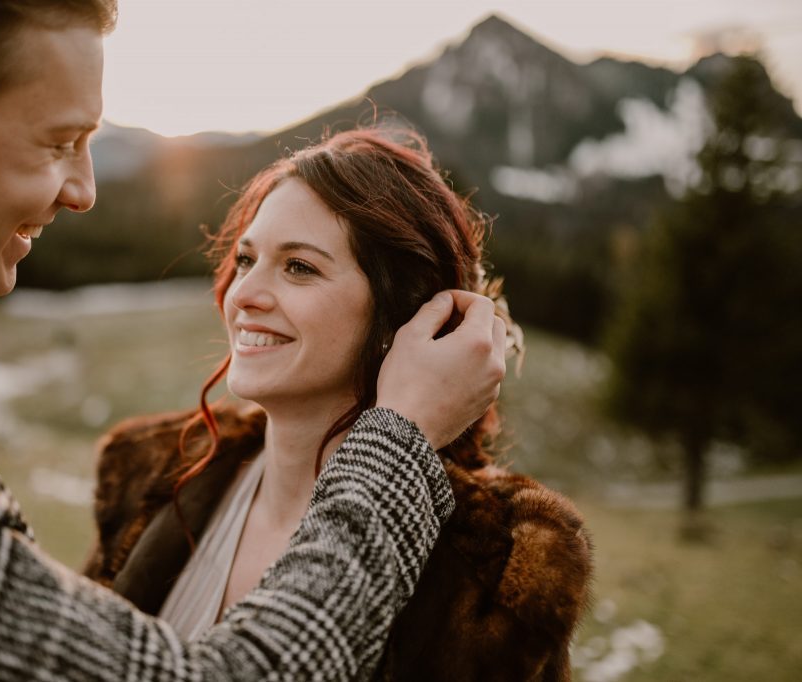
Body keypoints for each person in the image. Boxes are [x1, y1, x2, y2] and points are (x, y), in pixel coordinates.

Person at [0, 2, 509, 680]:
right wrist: (401, 439)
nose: (83, 191)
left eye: (300, 266)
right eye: (58, 142)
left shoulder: (504, 572)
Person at [84, 128, 593, 681]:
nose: (245, 293)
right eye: (246, 258)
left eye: (299, 266)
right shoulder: (148, 472)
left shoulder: (494, 575)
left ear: (404, 315)